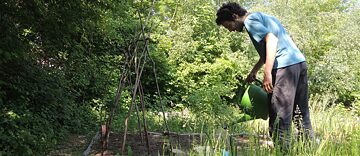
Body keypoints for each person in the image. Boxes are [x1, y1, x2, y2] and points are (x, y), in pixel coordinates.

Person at [215, 2, 314, 151]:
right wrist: (254, 71)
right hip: (298, 64)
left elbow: (272, 41)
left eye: (228, 25)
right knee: (301, 114)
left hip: (284, 68)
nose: (230, 30)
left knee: (280, 118)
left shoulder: (249, 22)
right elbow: (269, 48)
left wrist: (267, 73)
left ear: (235, 16)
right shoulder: (264, 16)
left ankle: (282, 153)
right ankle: (309, 151)